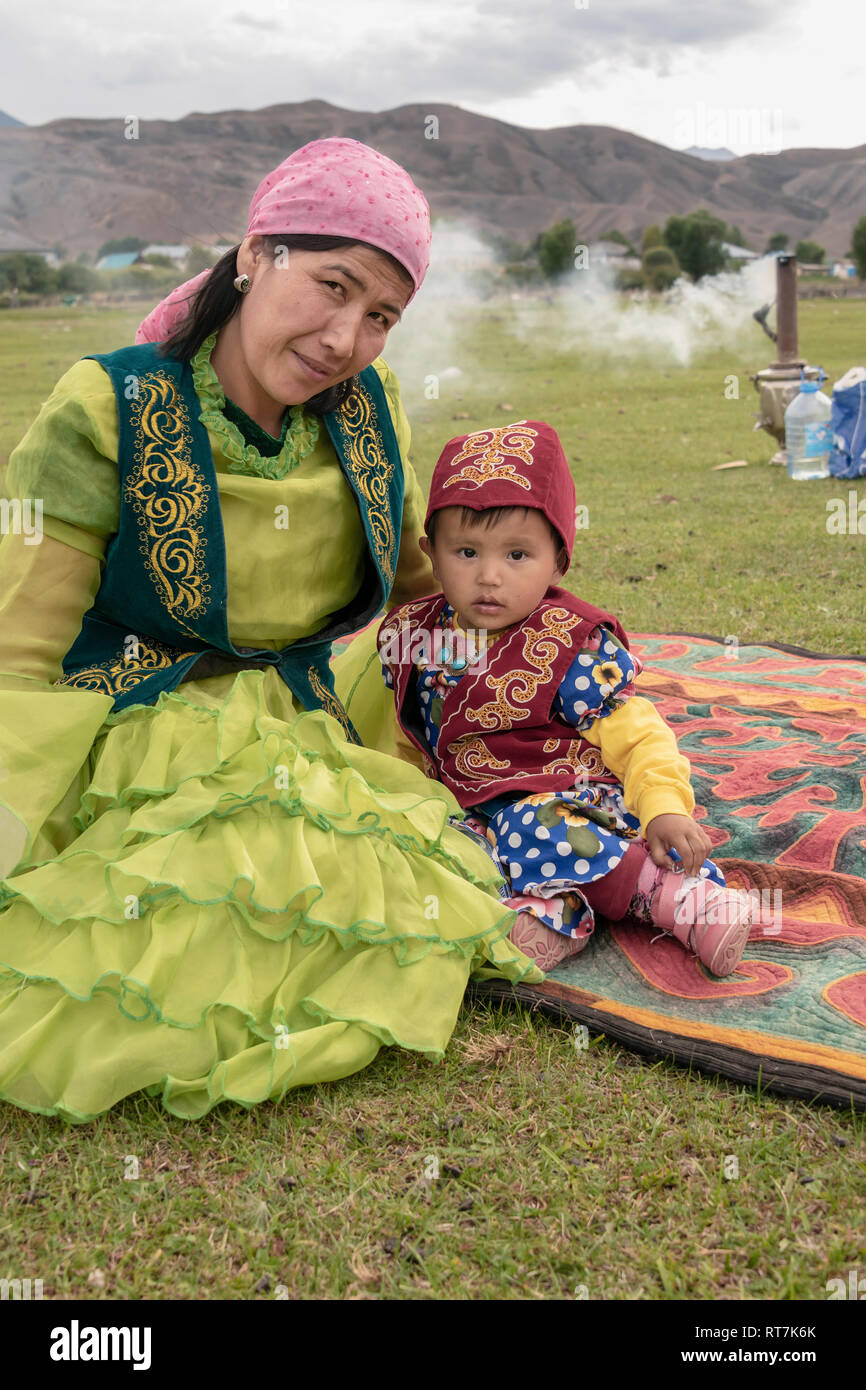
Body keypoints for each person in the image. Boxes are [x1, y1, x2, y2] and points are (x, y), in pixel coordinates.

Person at [0, 138, 545, 1124]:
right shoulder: (107, 406)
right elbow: (22, 640)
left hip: (305, 710)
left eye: (380, 315)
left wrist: (535, 674)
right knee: (190, 921)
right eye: (331, 287)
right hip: (138, 723)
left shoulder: (368, 415)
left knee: (379, 875)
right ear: (255, 254)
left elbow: (425, 593)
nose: (345, 338)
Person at [376, 420, 755, 974]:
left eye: (517, 556)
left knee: (535, 826)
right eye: (465, 551)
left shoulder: (569, 644)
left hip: (571, 804)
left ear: (558, 559)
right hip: (476, 809)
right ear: (431, 553)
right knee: (434, 850)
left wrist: (665, 808)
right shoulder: (415, 636)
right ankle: (554, 913)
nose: (488, 576)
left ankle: (680, 899)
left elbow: (640, 735)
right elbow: (410, 738)